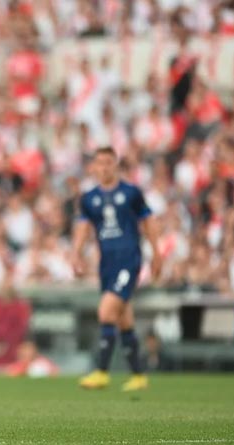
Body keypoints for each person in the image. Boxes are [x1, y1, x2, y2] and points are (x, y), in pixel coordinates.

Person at [71, 146, 162, 392]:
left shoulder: (131, 193)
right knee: (123, 319)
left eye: (109, 162)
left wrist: (157, 253)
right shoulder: (89, 198)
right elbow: (83, 226)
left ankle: (101, 371)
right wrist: (76, 253)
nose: (104, 167)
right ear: (94, 166)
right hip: (107, 264)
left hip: (129, 259)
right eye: (99, 163)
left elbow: (148, 221)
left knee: (106, 312)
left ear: (116, 165)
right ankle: (139, 375)